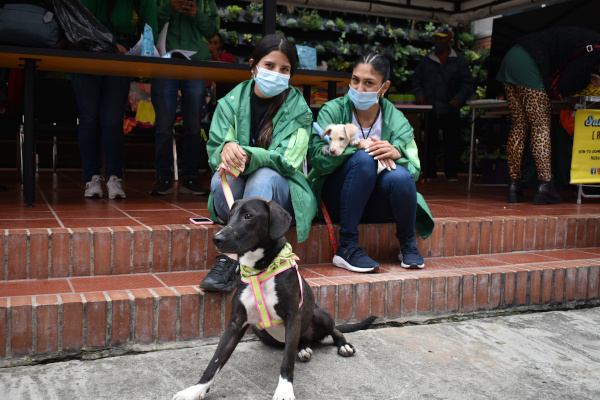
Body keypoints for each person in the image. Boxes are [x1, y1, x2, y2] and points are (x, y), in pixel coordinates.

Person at [199, 34, 317, 292]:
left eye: (284, 69)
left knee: (263, 176)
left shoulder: (299, 109)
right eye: (269, 66)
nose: (276, 73)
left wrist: (250, 155)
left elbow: (288, 161)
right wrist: (225, 151)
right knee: (223, 180)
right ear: (253, 66)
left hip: (278, 201)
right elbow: (213, 151)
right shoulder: (230, 102)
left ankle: (231, 259)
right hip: (235, 199)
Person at [308, 52, 435, 272]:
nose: (359, 89)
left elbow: (414, 170)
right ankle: (346, 246)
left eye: (369, 83)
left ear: (384, 87)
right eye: (355, 80)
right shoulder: (333, 110)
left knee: (401, 176)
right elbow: (318, 160)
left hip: (376, 203)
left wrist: (397, 153)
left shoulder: (396, 119)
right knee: (364, 160)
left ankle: (407, 245)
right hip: (336, 200)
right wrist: (356, 146)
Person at [497, 26, 600, 205]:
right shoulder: (595, 52)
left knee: (519, 126)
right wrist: (589, 80)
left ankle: (514, 186)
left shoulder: (591, 41)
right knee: (541, 126)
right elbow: (567, 85)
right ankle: (546, 186)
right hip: (529, 62)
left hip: (512, 58)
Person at [71, 0, 157, 199]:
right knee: (89, 117)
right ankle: (91, 178)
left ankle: (114, 178)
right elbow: (81, 21)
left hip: (122, 52)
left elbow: (149, 27)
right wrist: (109, 44)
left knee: (112, 119)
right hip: (86, 48)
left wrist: (147, 49)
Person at [149, 0, 219, 195]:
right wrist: (169, 9)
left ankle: (190, 177)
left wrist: (197, 15)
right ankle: (163, 177)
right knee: (163, 124)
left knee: (194, 125)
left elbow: (214, 31)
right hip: (163, 60)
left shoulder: (206, 2)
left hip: (195, 62)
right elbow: (148, 24)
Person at [412, 27, 474, 182]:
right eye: (436, 39)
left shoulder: (459, 60)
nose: (438, 42)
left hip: (450, 109)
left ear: (449, 41)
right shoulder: (427, 60)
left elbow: (467, 84)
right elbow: (416, 80)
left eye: (441, 39)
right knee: (429, 142)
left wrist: (458, 99)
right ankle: (429, 173)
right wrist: (419, 94)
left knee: (451, 143)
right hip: (431, 108)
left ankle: (452, 174)